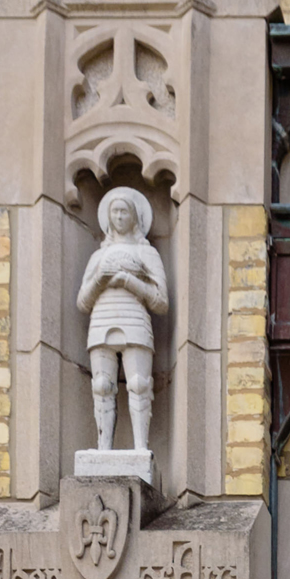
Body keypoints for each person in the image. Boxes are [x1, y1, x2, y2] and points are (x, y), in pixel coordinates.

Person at [77, 185, 167, 458]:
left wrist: (128, 281)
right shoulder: (98, 256)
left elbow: (161, 301)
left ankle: (141, 447)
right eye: (114, 211)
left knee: (139, 383)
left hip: (135, 321)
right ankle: (104, 447)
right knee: (102, 386)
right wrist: (101, 279)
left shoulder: (146, 253)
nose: (118, 216)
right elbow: (82, 301)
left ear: (134, 217)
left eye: (124, 211)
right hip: (102, 321)